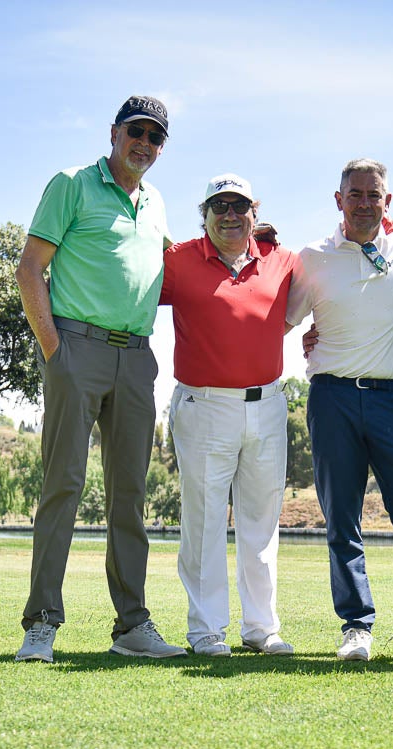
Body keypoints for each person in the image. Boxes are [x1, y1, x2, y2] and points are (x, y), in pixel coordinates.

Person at [13, 95, 186, 663]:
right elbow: (31, 267)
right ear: (114, 132)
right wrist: (54, 349)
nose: (145, 144)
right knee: (63, 484)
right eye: (136, 132)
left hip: (137, 358)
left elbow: (174, 268)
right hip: (75, 350)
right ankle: (41, 623)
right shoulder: (72, 184)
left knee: (130, 495)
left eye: (156, 138)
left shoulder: (156, 201)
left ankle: (132, 625)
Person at [285, 159, 393, 664]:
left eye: (373, 195)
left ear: (388, 201)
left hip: (389, 398)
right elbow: (279, 316)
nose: (363, 203)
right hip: (330, 397)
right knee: (342, 519)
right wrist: (262, 244)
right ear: (339, 201)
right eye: (354, 194)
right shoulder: (313, 257)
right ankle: (357, 626)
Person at [161, 174, 301, 657]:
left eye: (239, 206)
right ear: (204, 214)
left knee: (261, 523)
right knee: (203, 523)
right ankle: (206, 631)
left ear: (254, 213)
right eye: (218, 206)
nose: (229, 214)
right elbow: (127, 280)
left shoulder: (282, 262)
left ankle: (261, 627)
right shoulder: (178, 260)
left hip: (267, 405)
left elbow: (341, 276)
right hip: (204, 406)